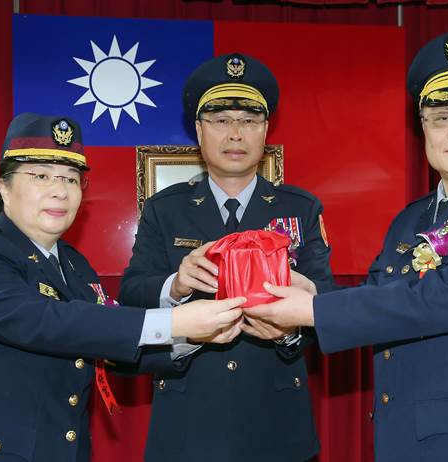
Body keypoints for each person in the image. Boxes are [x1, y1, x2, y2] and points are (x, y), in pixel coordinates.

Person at [248, 30, 448, 461]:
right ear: (423, 129)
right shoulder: (411, 219)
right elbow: (382, 298)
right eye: (440, 117)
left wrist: (314, 310)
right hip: (408, 441)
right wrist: (309, 298)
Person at [0, 113, 245, 462]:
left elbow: (108, 345)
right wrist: (174, 322)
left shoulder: (76, 266)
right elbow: (44, 321)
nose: (60, 191)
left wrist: (194, 337)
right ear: (4, 187)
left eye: (71, 179)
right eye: (41, 176)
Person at [119, 53, 334, 462]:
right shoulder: (165, 209)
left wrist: (289, 331)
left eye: (249, 120)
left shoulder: (300, 208)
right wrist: (175, 286)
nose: (235, 133)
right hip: (188, 422)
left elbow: (328, 300)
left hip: (276, 422)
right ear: (199, 131)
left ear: (265, 131)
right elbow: (131, 293)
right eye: (220, 120)